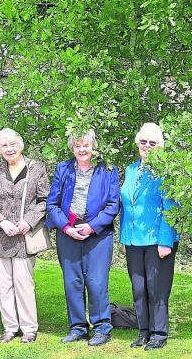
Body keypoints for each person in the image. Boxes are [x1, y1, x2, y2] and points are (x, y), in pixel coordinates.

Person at [46, 129, 120, 346]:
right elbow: (52, 204)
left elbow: (113, 205)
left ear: (93, 146)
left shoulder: (107, 169)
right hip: (68, 233)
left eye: (86, 145)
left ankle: (102, 328)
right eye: (77, 145)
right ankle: (78, 328)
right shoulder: (63, 168)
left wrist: (91, 226)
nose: (82, 149)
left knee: (96, 282)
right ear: (72, 148)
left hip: (97, 234)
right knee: (72, 282)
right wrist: (66, 227)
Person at [0, 128, 49, 344]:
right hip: (2, 237)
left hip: (23, 237)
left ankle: (29, 328)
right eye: (3, 145)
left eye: (13, 144)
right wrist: (1, 222)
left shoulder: (36, 168)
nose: (9, 149)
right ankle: (10, 327)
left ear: (21, 145)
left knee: (24, 283)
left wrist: (28, 221)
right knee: (4, 284)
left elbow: (44, 200)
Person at [121, 123, 180, 351]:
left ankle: (159, 333)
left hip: (157, 240)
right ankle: (143, 331)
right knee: (138, 288)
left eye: (152, 143)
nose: (147, 146)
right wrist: (124, 239)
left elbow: (171, 208)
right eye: (143, 142)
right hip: (133, 240)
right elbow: (126, 205)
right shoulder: (131, 170)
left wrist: (166, 240)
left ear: (160, 146)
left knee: (157, 288)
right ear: (138, 143)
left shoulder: (166, 171)